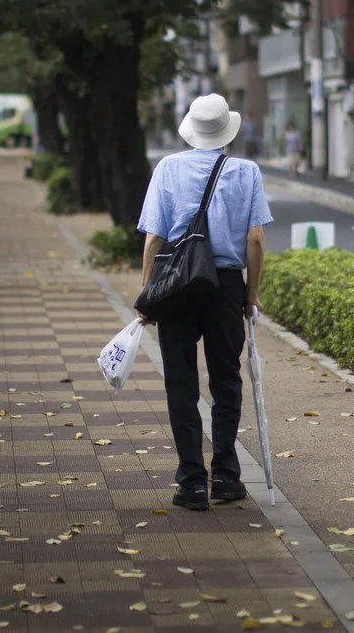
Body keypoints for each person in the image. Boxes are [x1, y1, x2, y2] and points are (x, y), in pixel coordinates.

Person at [136, 93, 273, 511]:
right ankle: (227, 477)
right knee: (226, 381)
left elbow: (155, 238)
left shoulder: (168, 168)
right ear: (226, 130)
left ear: (191, 128)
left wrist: (147, 295)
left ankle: (191, 482)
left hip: (177, 286)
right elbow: (255, 239)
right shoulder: (246, 172)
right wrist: (250, 295)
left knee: (180, 382)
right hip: (225, 286)